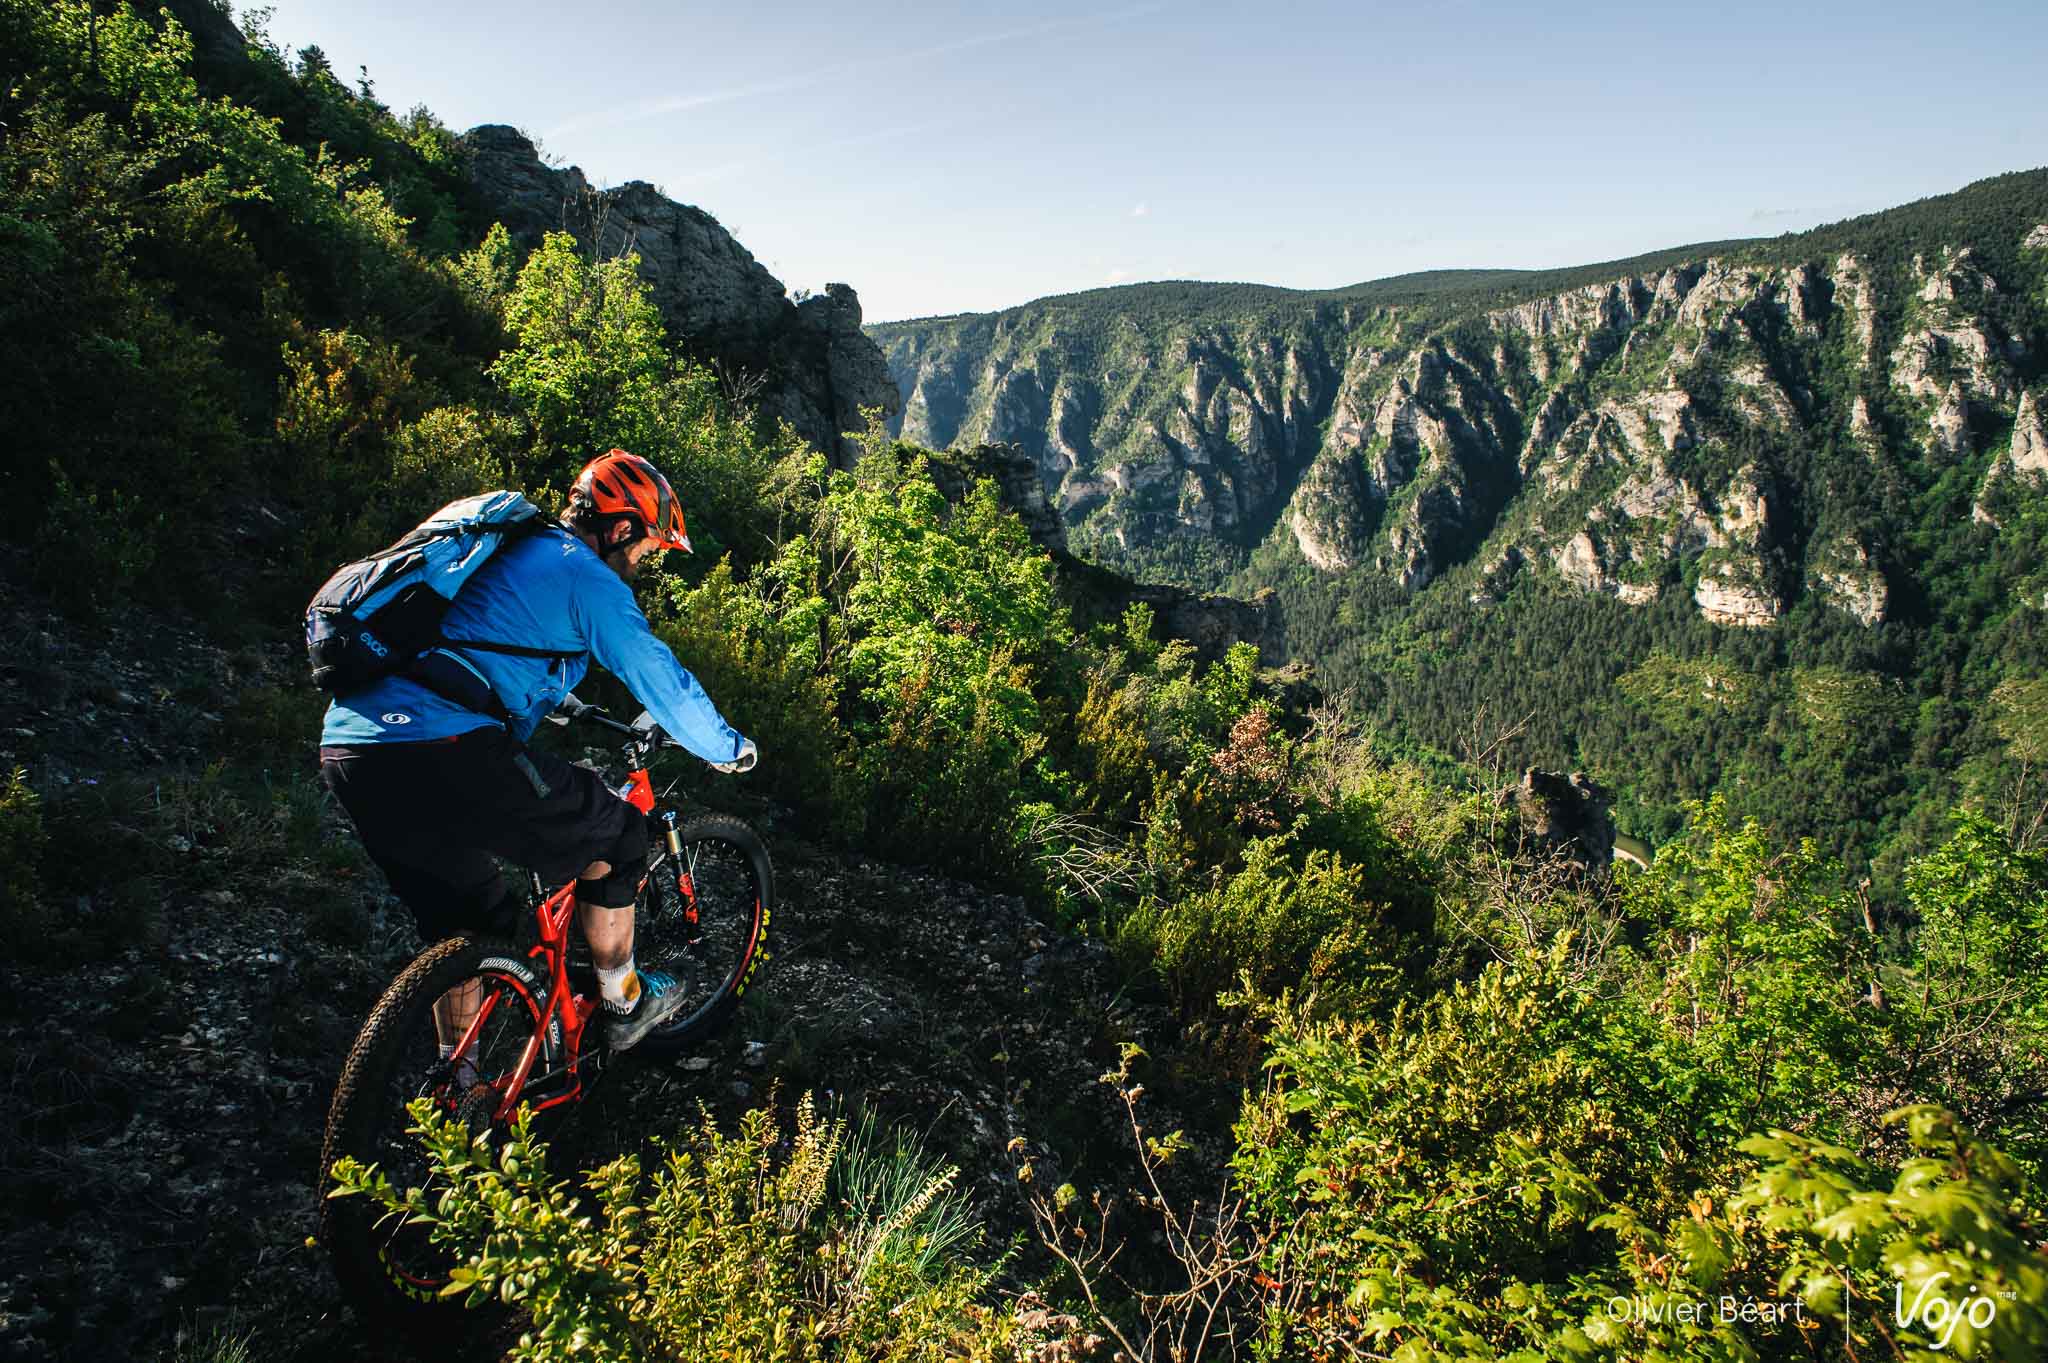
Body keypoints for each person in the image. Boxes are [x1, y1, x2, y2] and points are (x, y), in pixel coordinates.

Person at [318, 449, 758, 1053]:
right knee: (620, 834)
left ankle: (461, 1085)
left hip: (353, 748)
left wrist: (562, 704)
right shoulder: (588, 577)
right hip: (441, 747)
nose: (641, 562)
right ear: (621, 527)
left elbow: (480, 645)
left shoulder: (510, 548)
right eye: (645, 548)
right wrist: (727, 748)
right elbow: (661, 678)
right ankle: (625, 1002)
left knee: (472, 926)